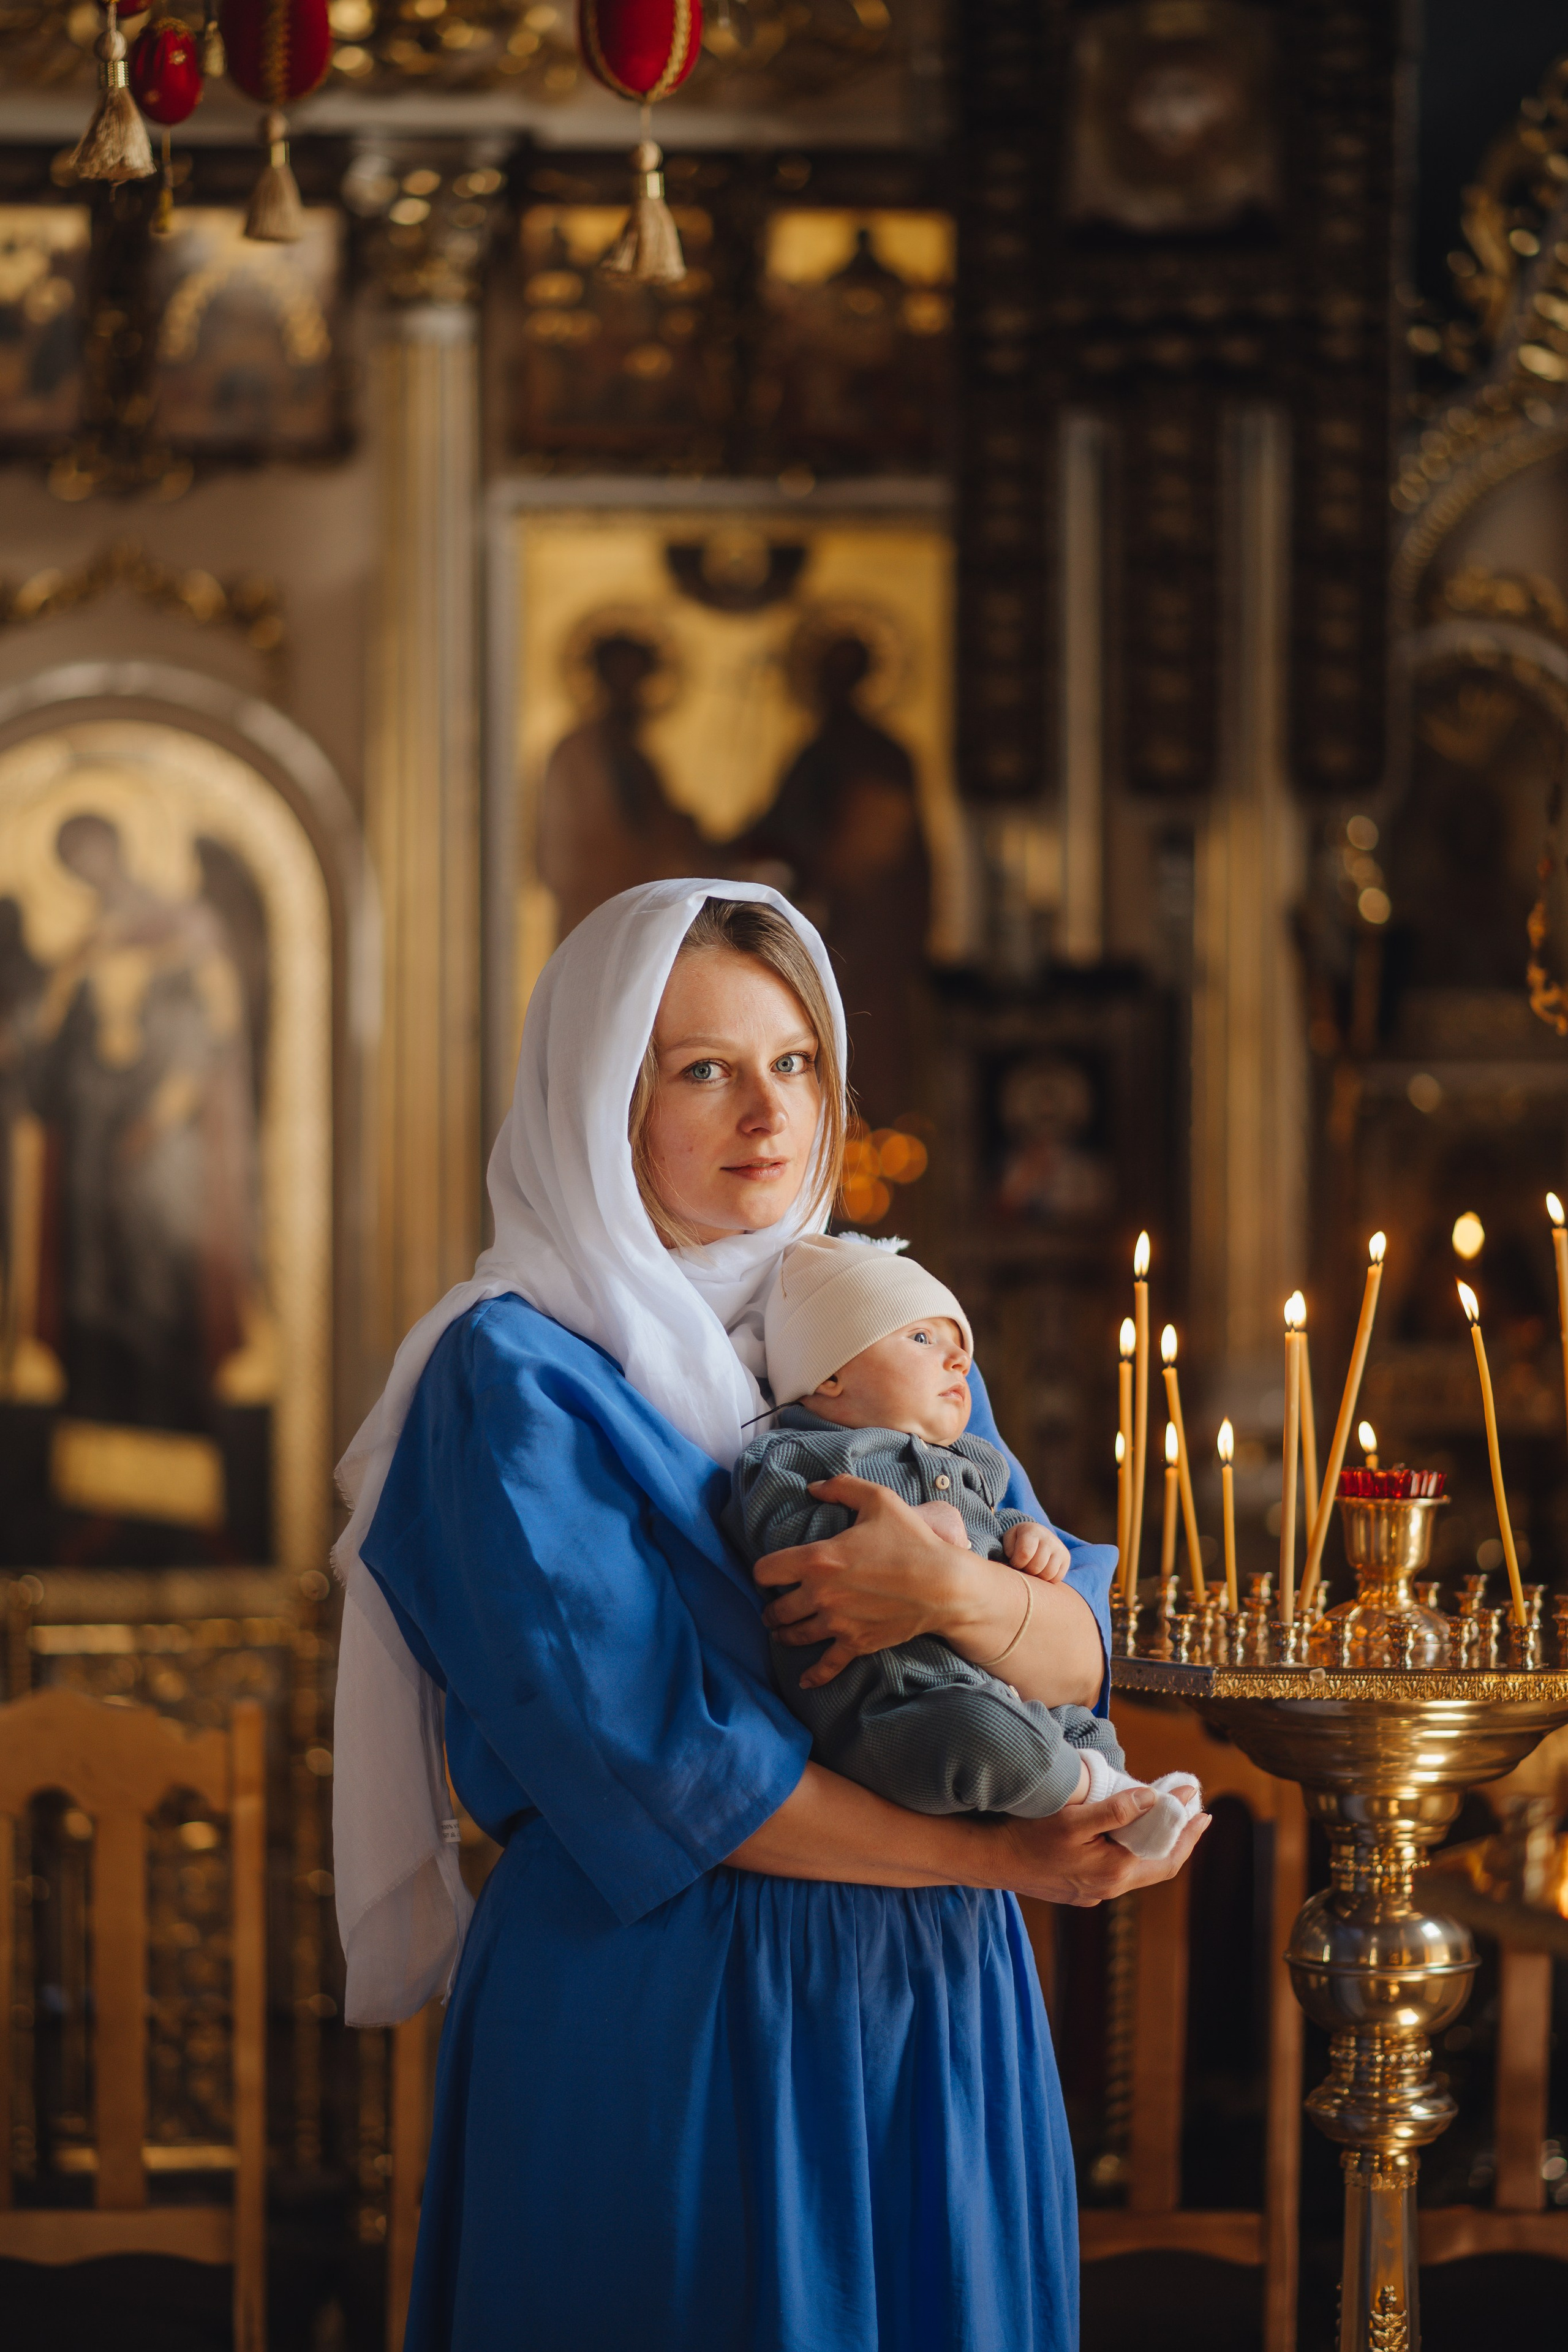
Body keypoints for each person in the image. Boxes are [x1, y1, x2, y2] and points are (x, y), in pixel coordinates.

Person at [331, 879, 1207, 2352]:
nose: (768, 1112)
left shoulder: (879, 1321)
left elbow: (1082, 1651)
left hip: (930, 1993)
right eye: (702, 1070)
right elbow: (664, 1769)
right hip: (666, 2006)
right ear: (599, 1098)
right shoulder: (512, 1375)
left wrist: (951, 1591)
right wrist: (986, 1850)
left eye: (794, 1063)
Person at [734, 1232, 1201, 1854]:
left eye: (959, 1346)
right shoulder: (790, 1455)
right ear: (830, 1373)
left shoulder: (973, 1461)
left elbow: (997, 1529)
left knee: (1080, 1724)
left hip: (987, 1684)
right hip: (891, 1708)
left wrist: (1026, 1539)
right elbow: (783, 1542)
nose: (957, 1360)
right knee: (985, 1733)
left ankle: (1114, 1794)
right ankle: (1096, 1792)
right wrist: (912, 1531)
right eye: (922, 1339)